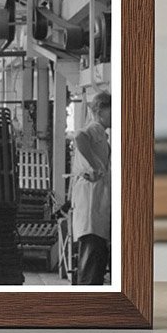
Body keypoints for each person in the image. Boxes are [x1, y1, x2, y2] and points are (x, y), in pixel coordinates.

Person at [71, 90, 112, 286]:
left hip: (96, 205)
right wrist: (96, 165)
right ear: (100, 110)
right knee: (91, 260)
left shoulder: (102, 135)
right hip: (91, 205)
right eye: (112, 111)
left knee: (95, 259)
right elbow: (79, 136)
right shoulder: (94, 128)